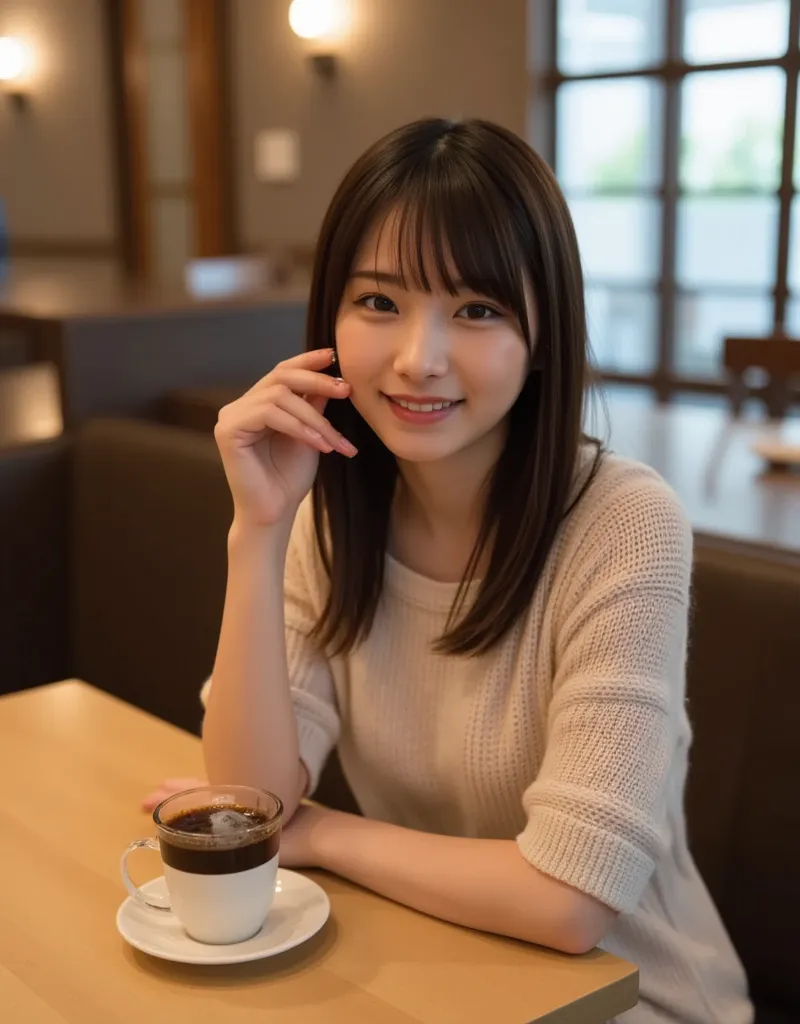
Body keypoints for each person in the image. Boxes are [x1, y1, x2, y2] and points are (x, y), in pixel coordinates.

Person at [144, 119, 753, 1023]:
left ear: (543, 336)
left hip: (633, 994)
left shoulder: (625, 525)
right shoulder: (331, 513)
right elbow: (253, 802)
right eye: (380, 303)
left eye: (477, 310)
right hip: (438, 967)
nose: (418, 357)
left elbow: (568, 900)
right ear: (330, 321)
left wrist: (319, 833)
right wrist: (258, 531)